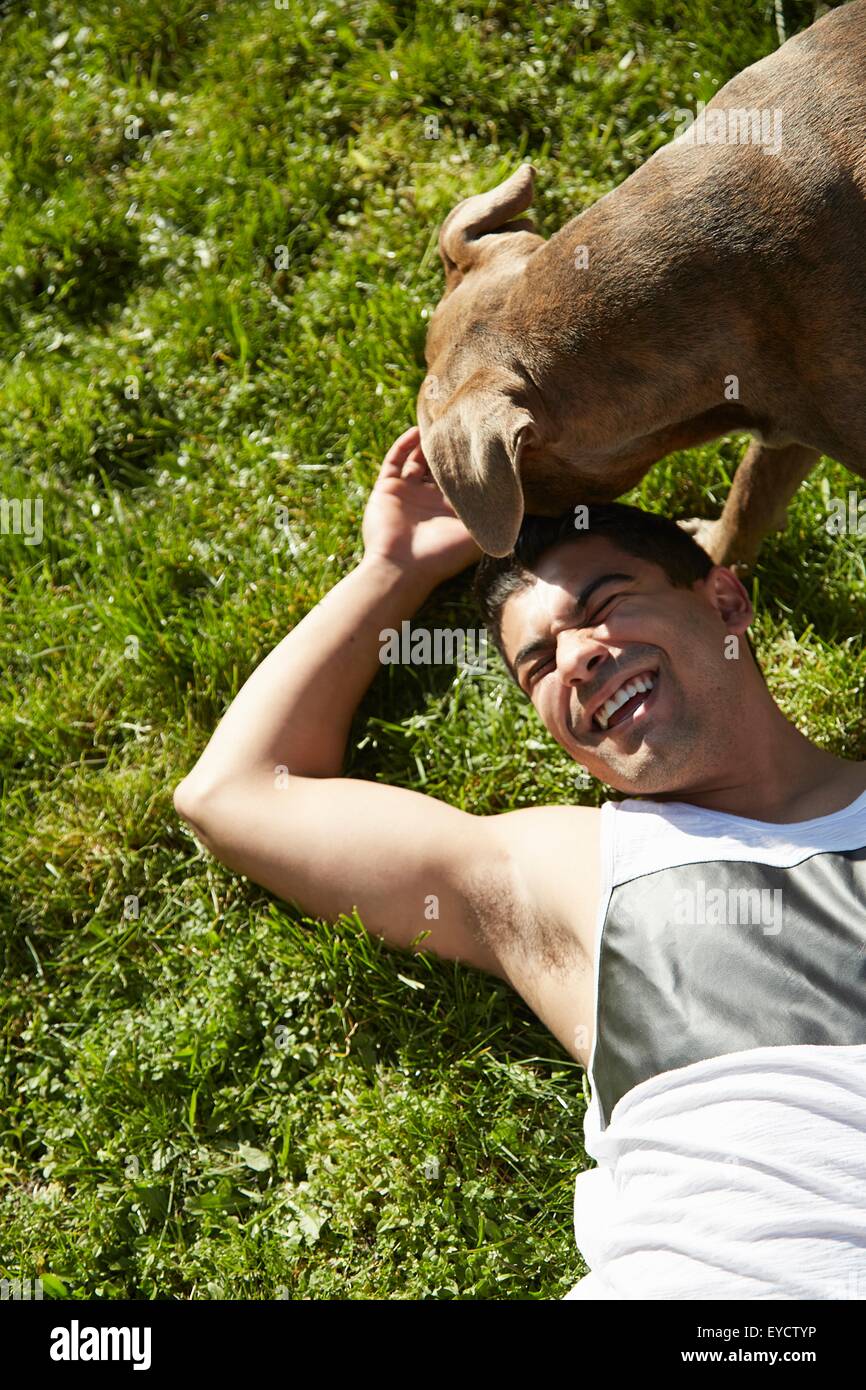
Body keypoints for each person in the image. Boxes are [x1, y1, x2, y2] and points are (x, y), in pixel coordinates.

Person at [173, 424, 866, 1300]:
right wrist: (392, 571)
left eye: (605, 602)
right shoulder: (575, 866)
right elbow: (232, 793)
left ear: (725, 602)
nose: (577, 657)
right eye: (538, 662)